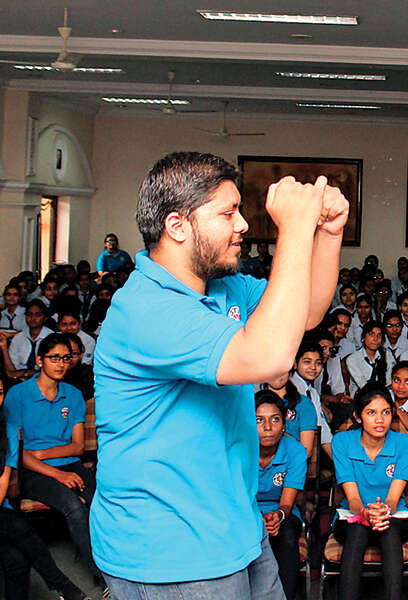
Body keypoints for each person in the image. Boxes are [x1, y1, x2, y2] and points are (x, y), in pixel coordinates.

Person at [91, 152, 347, 598]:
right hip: (172, 548)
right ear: (177, 226)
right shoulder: (148, 308)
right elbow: (270, 355)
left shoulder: (222, 286)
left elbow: (304, 312)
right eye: (228, 213)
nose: (243, 224)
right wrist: (293, 228)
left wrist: (327, 233)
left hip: (234, 526)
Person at [3, 333, 103, 585]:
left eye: (66, 358)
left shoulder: (72, 394)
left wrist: (41, 453)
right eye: (54, 358)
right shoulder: (18, 395)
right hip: (32, 471)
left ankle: (118, 563)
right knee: (73, 506)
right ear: (40, 360)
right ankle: (101, 577)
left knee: (101, 502)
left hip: (65, 463)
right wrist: (56, 473)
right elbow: (15, 452)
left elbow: (77, 446)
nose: (61, 363)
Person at [0, 379, 91, 600]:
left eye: (0, 391)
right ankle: (64, 586)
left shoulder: (7, 430)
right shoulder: (21, 399)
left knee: (17, 560)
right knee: (20, 529)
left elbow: (4, 478)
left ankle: (67, 586)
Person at [331, 384, 408, 600]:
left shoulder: (406, 443)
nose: (380, 420)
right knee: (358, 530)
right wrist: (365, 513)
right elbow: (352, 498)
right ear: (358, 417)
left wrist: (383, 510)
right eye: (371, 413)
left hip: (393, 514)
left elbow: (393, 498)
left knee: (389, 532)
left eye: (386, 412)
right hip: (353, 513)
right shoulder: (341, 442)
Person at [255, 391, 308, 600]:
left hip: (282, 514)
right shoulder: (239, 449)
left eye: (275, 419)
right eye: (259, 420)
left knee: (286, 534)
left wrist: (277, 515)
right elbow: (235, 499)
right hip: (246, 511)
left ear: (284, 424)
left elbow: (287, 503)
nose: (268, 427)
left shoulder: (295, 450)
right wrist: (257, 517)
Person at [290, 341, 335, 459]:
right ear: (295, 364)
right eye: (307, 362)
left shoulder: (313, 393)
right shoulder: (289, 390)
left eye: (318, 363)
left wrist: (338, 462)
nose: (313, 367)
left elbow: (322, 429)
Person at [260, 368, 317, 457]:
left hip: (291, 462)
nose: (277, 374)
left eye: (282, 368)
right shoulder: (255, 402)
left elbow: (306, 451)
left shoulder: (303, 404)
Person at [345, 320, 394, 398]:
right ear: (363, 337)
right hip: (361, 396)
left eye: (379, 335)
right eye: (371, 334)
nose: (375, 339)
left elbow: (388, 383)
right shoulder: (353, 359)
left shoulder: (387, 355)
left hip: (384, 394)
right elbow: (363, 385)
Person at [7, 299, 53, 375]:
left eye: (38, 315)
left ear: (45, 318)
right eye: (29, 314)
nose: (33, 318)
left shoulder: (51, 337)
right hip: (19, 377)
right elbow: (12, 367)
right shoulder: (18, 338)